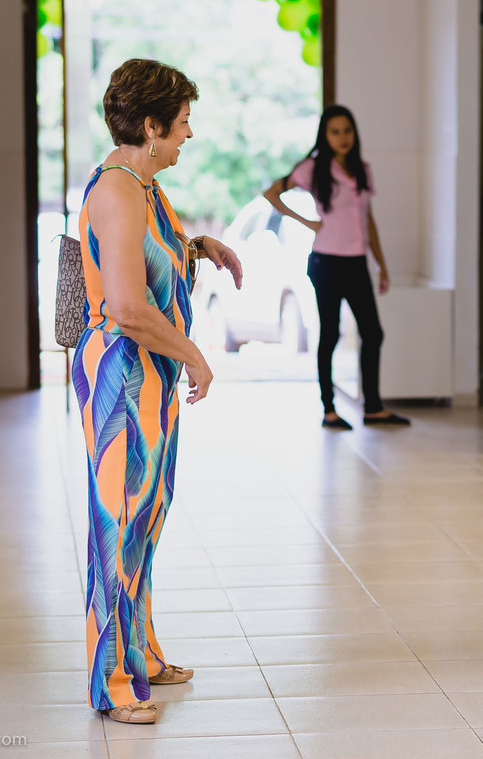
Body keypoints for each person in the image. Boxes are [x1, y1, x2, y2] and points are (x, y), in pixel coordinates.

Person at [73, 58, 242, 724]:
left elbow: (149, 255)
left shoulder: (144, 186)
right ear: (149, 127)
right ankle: (112, 683)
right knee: (117, 524)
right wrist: (194, 354)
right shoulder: (117, 190)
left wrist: (198, 246)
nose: (188, 136)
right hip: (123, 375)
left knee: (147, 514)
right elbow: (125, 306)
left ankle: (138, 651)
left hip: (151, 377)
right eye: (181, 125)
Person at [263, 104, 410, 430]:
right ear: (325, 136)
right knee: (330, 334)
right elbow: (271, 193)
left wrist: (382, 265)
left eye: (347, 131)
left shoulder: (362, 169)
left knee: (373, 333)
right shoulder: (313, 168)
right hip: (326, 262)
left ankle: (373, 407)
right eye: (334, 132)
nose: (342, 138)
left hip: (357, 262)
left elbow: (367, 220)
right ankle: (329, 409)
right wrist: (307, 222)